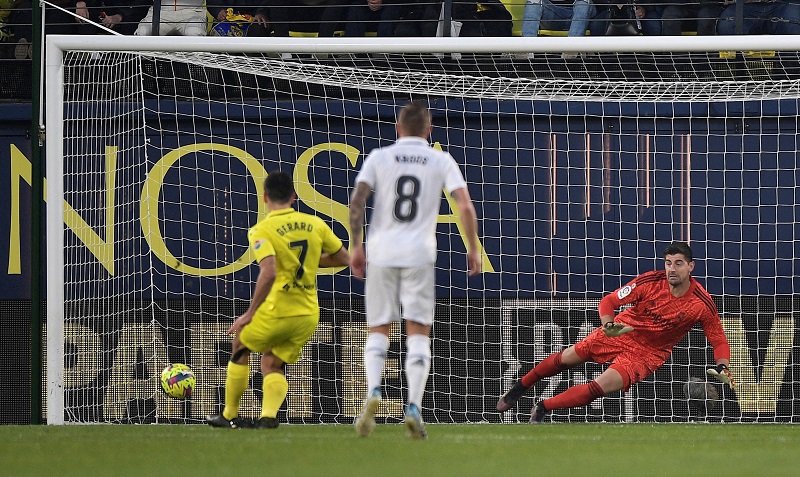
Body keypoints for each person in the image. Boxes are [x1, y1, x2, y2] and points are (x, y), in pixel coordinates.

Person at [349, 101, 482, 439]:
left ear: (397, 128)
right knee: (418, 331)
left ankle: (374, 391)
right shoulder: (440, 159)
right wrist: (473, 248)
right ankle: (413, 408)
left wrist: (355, 245)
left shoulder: (379, 157)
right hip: (419, 253)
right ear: (428, 129)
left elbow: (357, 200)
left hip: (381, 251)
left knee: (379, 327)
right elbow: (464, 204)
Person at [497, 241, 736, 423]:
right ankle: (521, 386)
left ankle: (543, 407)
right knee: (566, 359)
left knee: (600, 387)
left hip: (648, 353)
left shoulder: (701, 302)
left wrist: (723, 365)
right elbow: (609, 301)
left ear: (691, 266)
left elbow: (718, 338)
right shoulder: (650, 282)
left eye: (679, 263)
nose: (672, 269)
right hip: (622, 331)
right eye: (668, 263)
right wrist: (609, 325)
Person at [206, 171, 350, 429]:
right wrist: (307, 261)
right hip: (307, 314)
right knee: (272, 361)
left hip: (279, 309)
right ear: (294, 197)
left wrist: (249, 314)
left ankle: (228, 415)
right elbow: (343, 258)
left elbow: (269, 271)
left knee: (240, 343)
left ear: (264, 198)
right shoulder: (316, 224)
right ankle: (268, 417)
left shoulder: (262, 229)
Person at [717, 0, 800, 35]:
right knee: (727, 26)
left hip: (782, 4)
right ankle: (739, 69)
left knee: (792, 25)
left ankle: (789, 71)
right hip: (743, 5)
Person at [521, 0, 597, 38]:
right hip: (553, 13)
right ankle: (526, 49)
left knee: (583, 2)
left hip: (581, 14)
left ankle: (572, 49)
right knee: (534, 1)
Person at [135, 0, 207, 36]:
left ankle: (194, 63)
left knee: (194, 31)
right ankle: (144, 63)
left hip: (191, 12)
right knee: (143, 31)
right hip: (160, 12)